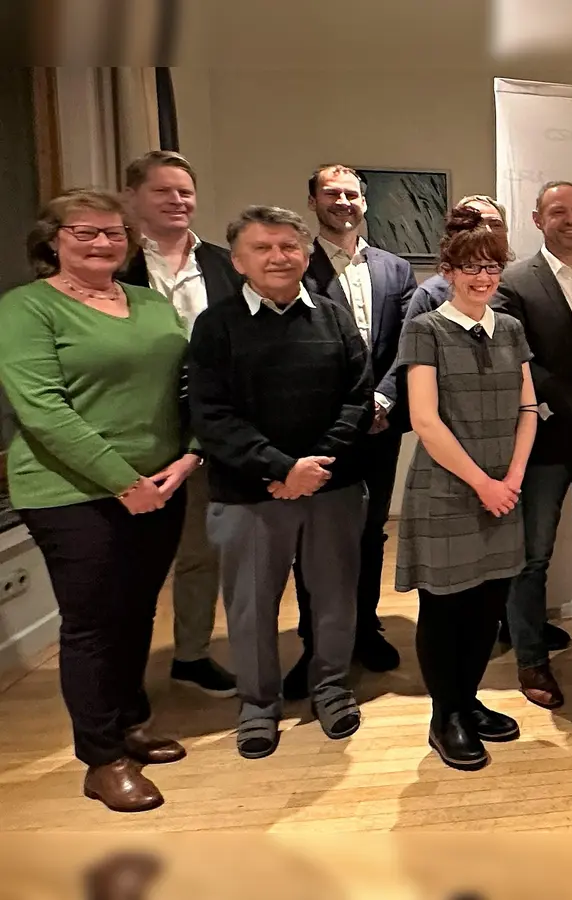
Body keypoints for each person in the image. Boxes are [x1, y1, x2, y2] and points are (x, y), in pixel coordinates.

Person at [0, 190, 196, 812]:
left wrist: (191, 454)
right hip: (70, 491)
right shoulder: (27, 308)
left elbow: (188, 384)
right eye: (84, 232)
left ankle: (130, 722)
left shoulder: (148, 302)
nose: (102, 243)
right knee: (92, 624)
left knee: (137, 611)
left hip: (162, 483)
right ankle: (102, 758)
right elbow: (42, 409)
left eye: (113, 232)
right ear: (52, 239)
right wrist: (122, 481)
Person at [188, 206, 372, 760]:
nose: (278, 257)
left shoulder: (335, 317)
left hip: (331, 488)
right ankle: (258, 704)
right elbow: (211, 414)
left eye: (289, 246)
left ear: (306, 254)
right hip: (250, 494)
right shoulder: (215, 325)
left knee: (334, 597)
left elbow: (358, 398)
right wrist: (280, 469)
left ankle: (331, 689)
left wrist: (313, 468)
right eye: (262, 248)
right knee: (250, 605)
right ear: (238, 260)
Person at [395, 207, 534, 771]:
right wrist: (483, 483)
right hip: (448, 489)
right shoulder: (425, 329)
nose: (483, 277)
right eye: (471, 267)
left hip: (504, 488)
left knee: (488, 606)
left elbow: (529, 408)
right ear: (448, 271)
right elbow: (425, 421)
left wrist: (513, 479)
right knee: (446, 607)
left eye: (492, 267)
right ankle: (445, 715)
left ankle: (469, 700)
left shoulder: (512, 328)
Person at [283, 164, 416, 698]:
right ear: (312, 201)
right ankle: (315, 644)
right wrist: (349, 408)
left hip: (381, 424)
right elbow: (293, 347)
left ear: (365, 201)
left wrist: (382, 398)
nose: (343, 202)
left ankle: (364, 629)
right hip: (319, 428)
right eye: (331, 193)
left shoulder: (395, 268)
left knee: (370, 531)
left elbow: (406, 342)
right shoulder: (296, 266)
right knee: (315, 540)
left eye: (352, 194)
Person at [117, 150, 243, 698]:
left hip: (206, 430)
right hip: (132, 430)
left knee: (201, 552)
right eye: (163, 190)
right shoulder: (112, 262)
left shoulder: (223, 263)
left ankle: (191, 654)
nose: (177, 201)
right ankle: (120, 673)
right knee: (129, 561)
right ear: (132, 197)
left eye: (185, 191)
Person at [494, 180, 572, 710]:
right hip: (544, 440)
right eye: (559, 211)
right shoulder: (514, 281)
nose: (571, 220)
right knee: (533, 556)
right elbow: (516, 356)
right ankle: (530, 657)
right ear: (537, 219)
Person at [404, 195, 507, 318]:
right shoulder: (431, 294)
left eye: (495, 225)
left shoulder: (517, 286)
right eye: (475, 226)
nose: (486, 231)